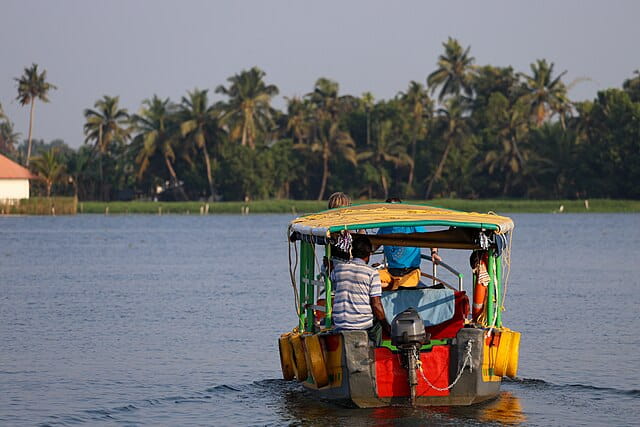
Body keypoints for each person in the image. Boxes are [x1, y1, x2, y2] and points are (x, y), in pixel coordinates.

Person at [330, 236, 391, 346]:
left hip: (339, 323)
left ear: (352, 253)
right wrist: (388, 328)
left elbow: (332, 278)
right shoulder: (371, 273)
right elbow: (376, 305)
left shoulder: (339, 268)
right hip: (361, 325)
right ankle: (376, 351)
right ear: (368, 255)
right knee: (379, 323)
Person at [376, 197, 442, 290]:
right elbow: (373, 246)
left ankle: (392, 286)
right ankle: (390, 286)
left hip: (410, 272)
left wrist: (434, 253)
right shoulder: (384, 228)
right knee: (370, 278)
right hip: (391, 272)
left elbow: (430, 240)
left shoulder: (411, 225)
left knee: (402, 287)